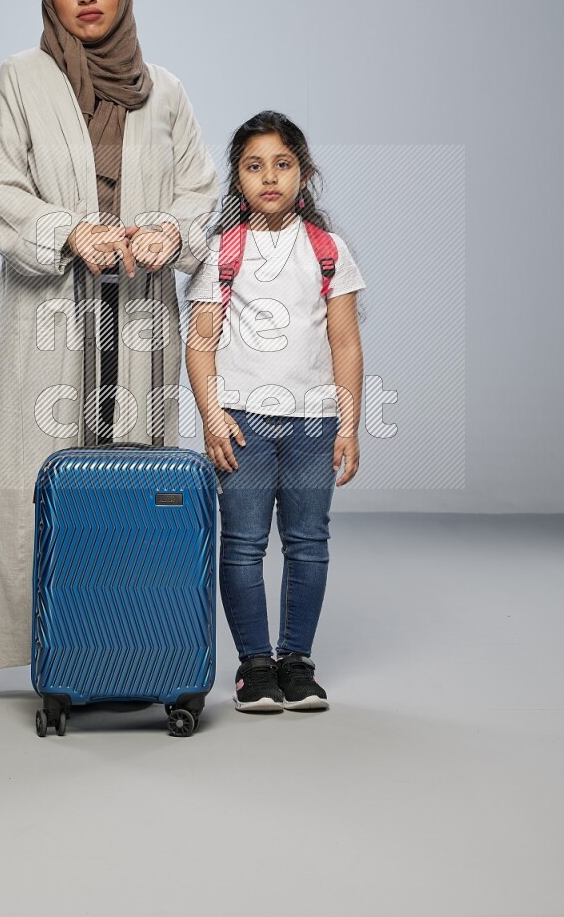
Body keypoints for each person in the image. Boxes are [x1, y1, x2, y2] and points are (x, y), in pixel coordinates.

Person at [0, 0, 219, 670]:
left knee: (140, 478)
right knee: (45, 472)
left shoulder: (164, 90)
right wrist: (68, 231)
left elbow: (200, 190)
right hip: (51, 309)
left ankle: (135, 639)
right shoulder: (21, 77)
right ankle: (54, 649)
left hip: (140, 309)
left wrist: (171, 236)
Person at [185, 111, 366, 712]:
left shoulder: (327, 249)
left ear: (303, 173)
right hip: (241, 421)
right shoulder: (222, 251)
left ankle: (298, 663)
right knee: (241, 545)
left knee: (308, 542)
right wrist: (212, 415)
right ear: (237, 179)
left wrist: (349, 423)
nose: (270, 177)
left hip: (314, 424)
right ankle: (254, 667)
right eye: (254, 166)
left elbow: (344, 342)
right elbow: (201, 342)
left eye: (283, 164)